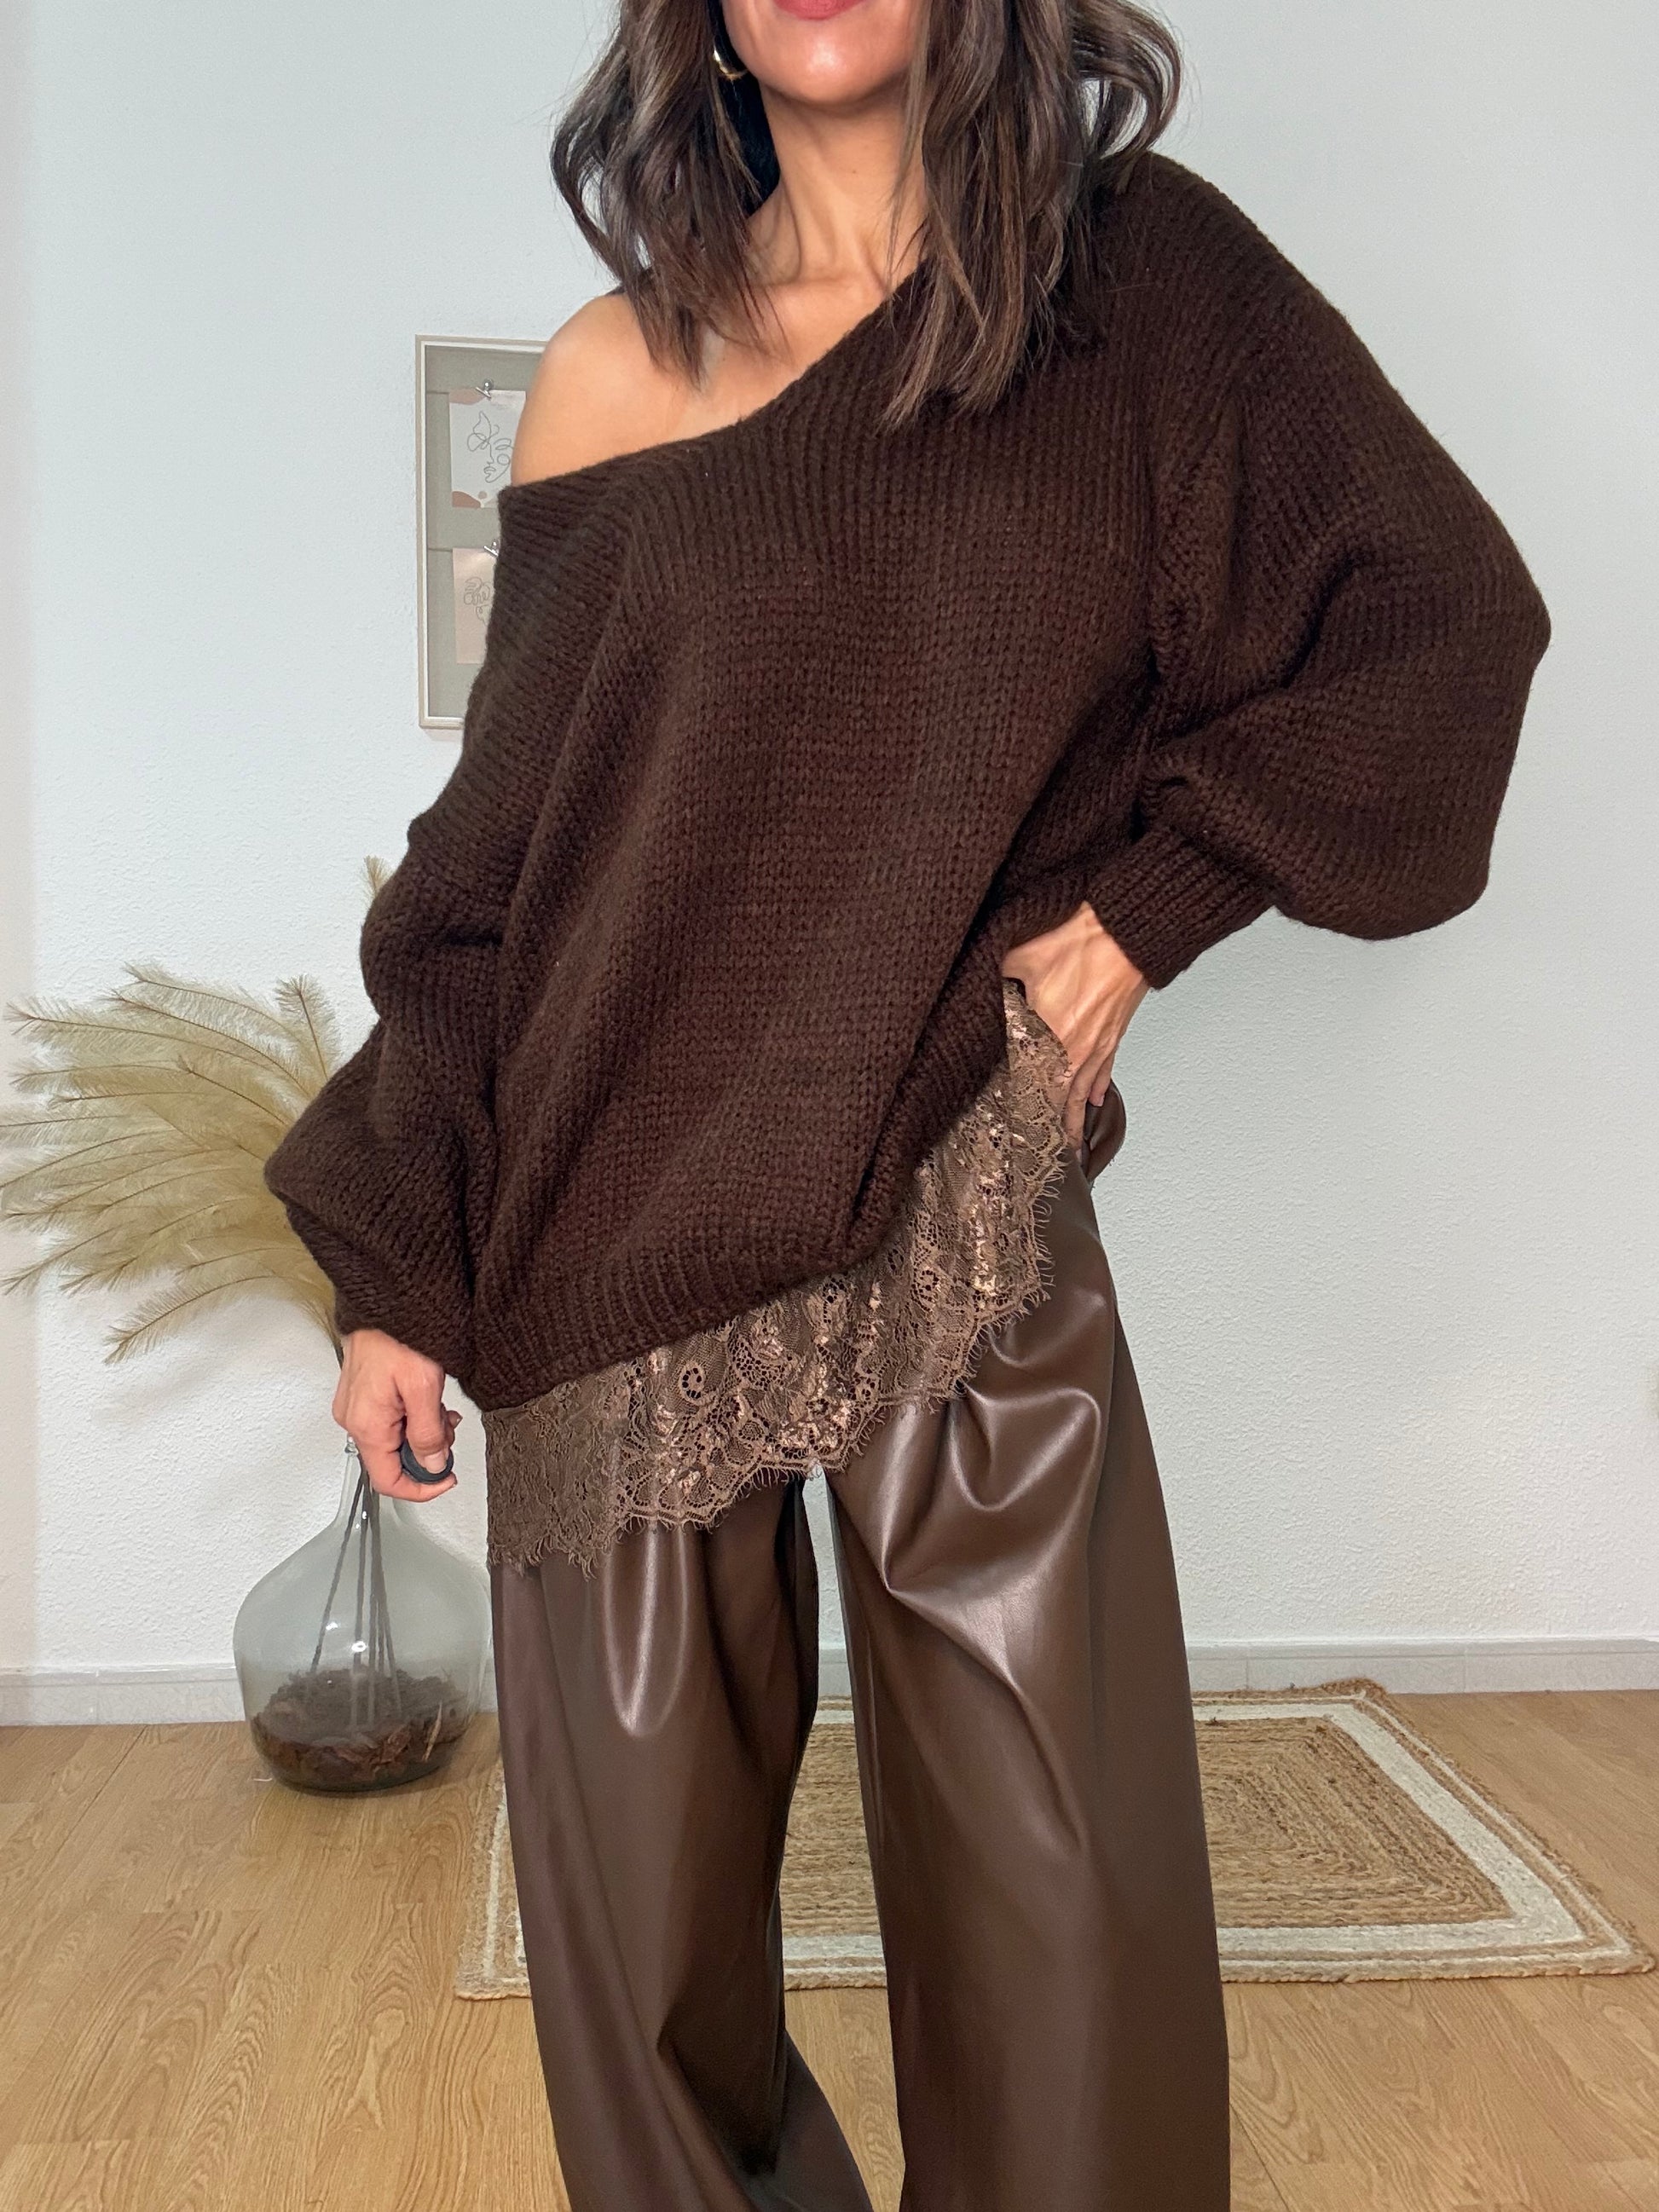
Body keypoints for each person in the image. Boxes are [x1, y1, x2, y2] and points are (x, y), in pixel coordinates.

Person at [263, 2, 1552, 2205]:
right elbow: (495, 871)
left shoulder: (1142, 291)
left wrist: (1147, 910)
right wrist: (395, 1262)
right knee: (649, 1989)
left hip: (957, 1186)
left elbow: (1436, 620)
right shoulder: (610, 371)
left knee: (1065, 1920)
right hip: (606, 1230)